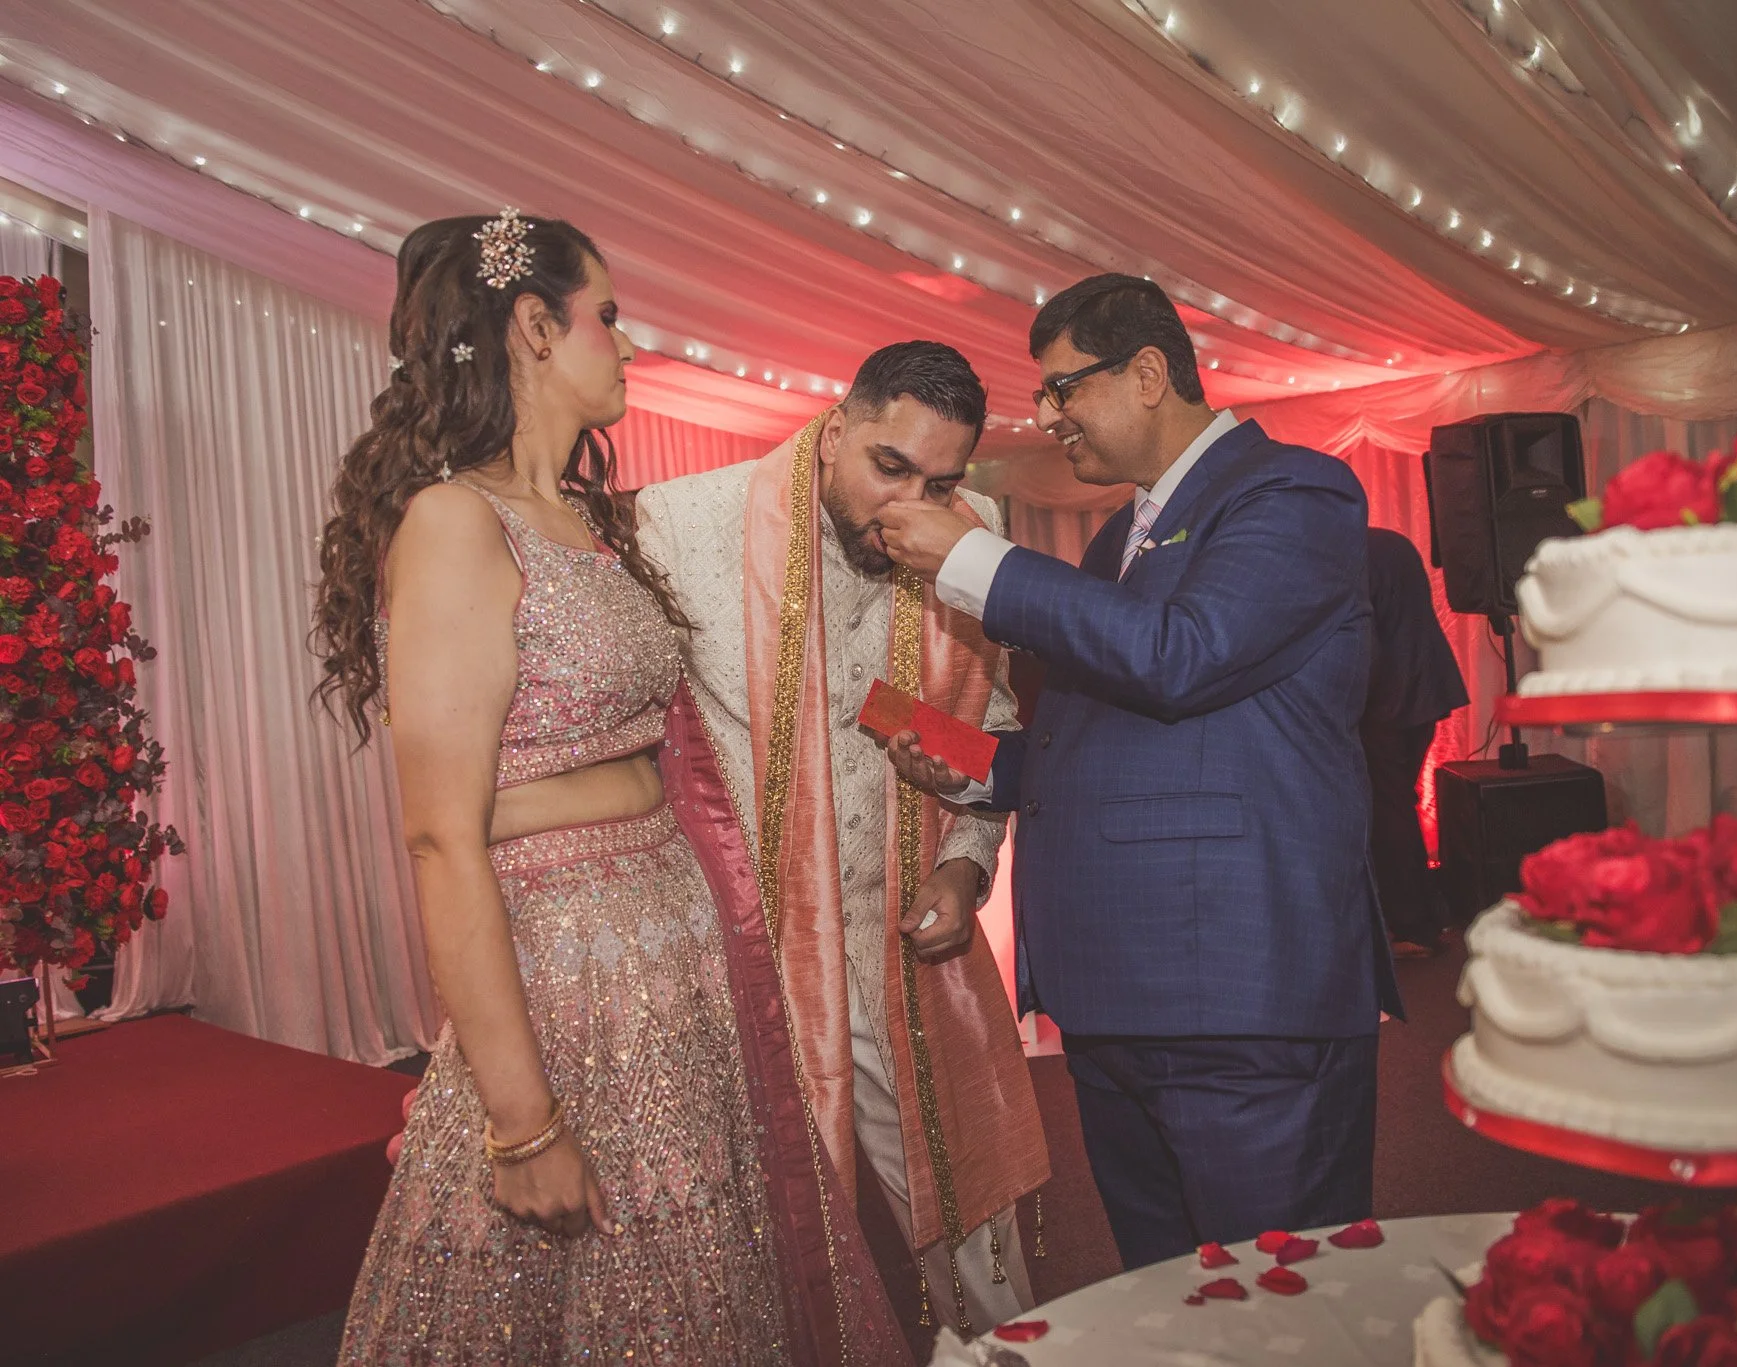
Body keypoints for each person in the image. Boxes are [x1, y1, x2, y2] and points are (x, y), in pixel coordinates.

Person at [313, 212, 906, 1362]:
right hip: (567, 968)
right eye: (609, 315)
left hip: (670, 957)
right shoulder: (453, 523)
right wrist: (522, 1121)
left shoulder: (585, 521)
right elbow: (442, 837)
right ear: (535, 327)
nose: (630, 344)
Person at [878, 273, 1400, 1271]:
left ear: (1149, 372)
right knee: (1169, 1298)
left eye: (1062, 387)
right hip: (1113, 996)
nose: (1047, 415)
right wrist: (963, 762)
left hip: (1240, 994)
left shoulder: (1293, 491)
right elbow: (1095, 737)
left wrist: (979, 560)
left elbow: (1181, 655)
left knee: (1287, 1298)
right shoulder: (1121, 532)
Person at [631, 340, 1049, 1336]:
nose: (909, 507)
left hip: (896, 938)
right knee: (749, 1239)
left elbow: (984, 730)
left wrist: (965, 862)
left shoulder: (970, 533)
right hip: (742, 958)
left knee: (968, 1216)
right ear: (833, 432)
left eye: (938, 482)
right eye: (888, 466)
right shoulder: (681, 522)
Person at [1362, 526, 1468, 957]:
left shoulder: (1349, 554)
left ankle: (1410, 925)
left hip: (1387, 699)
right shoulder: (1392, 543)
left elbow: (1365, 642)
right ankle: (1422, 916)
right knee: (1398, 804)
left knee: (1387, 809)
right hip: (1424, 689)